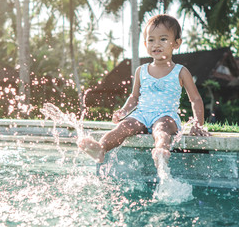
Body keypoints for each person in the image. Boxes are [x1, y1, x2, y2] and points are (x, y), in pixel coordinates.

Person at [78, 14, 210, 167]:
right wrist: (123, 111)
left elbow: (195, 99)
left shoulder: (180, 71)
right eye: (151, 40)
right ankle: (101, 148)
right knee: (124, 126)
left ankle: (160, 152)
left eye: (163, 39)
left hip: (166, 115)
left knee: (162, 129)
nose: (156, 44)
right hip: (141, 114)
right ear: (145, 44)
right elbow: (134, 97)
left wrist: (198, 124)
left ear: (176, 43)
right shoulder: (142, 71)